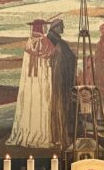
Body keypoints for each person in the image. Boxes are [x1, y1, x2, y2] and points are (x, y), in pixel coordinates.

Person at [7, 19, 56, 147]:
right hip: (41, 79)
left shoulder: (29, 42)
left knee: (29, 104)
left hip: (29, 81)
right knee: (41, 102)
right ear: (42, 28)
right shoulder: (45, 42)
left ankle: (26, 132)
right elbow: (51, 55)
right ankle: (40, 134)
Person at [47, 19, 76, 147]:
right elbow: (66, 58)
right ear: (55, 28)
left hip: (58, 79)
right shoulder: (57, 42)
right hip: (59, 80)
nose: (63, 27)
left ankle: (58, 135)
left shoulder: (55, 41)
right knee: (60, 105)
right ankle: (59, 136)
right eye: (61, 26)